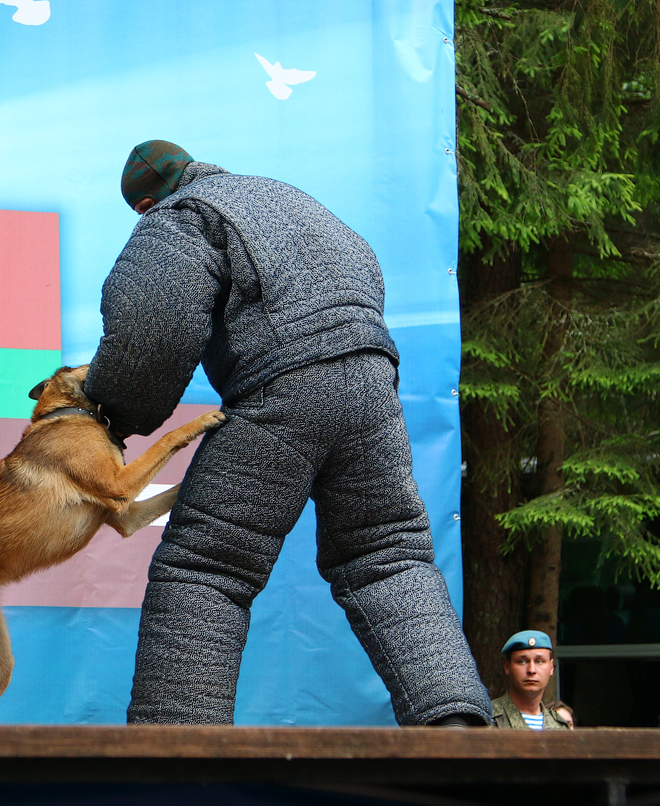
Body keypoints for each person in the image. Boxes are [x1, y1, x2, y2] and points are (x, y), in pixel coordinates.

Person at [84, 140, 492, 727]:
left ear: (147, 203)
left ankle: (178, 750)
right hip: (373, 388)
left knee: (206, 566)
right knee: (389, 555)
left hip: (283, 386)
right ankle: (456, 724)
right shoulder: (290, 200)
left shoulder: (182, 216)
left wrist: (114, 414)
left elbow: (151, 331)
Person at [491, 630, 569, 729]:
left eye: (539, 661)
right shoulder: (487, 718)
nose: (531, 670)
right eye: (522, 662)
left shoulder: (559, 726)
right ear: (507, 666)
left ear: (551, 667)